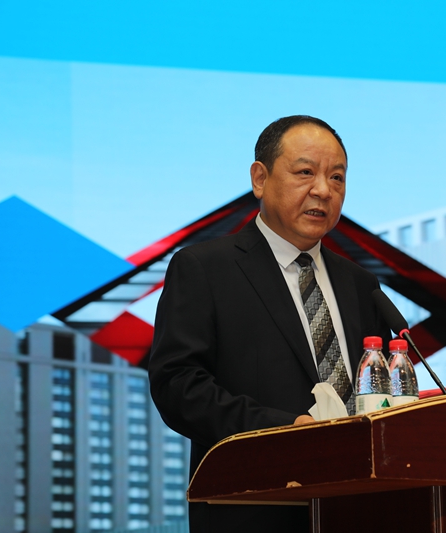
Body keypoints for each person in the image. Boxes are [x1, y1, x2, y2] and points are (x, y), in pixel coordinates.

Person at [148, 115, 391, 532]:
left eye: (337, 177)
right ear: (260, 179)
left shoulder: (361, 284)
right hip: (256, 510)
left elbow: (378, 392)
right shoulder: (205, 268)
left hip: (360, 512)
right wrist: (284, 430)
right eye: (305, 172)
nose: (323, 190)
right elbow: (178, 386)